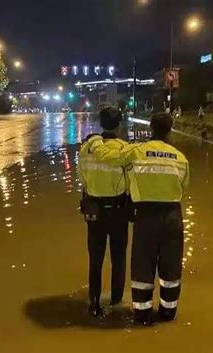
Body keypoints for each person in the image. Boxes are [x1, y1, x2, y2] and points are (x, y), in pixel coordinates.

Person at [87, 113, 190, 325]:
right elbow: (183, 187)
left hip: (146, 216)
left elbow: (108, 156)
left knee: (143, 264)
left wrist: (95, 140)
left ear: (151, 128)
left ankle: (142, 315)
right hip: (173, 217)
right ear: (170, 130)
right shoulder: (180, 157)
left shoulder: (137, 151)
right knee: (171, 266)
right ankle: (168, 313)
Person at [77, 107, 129, 317]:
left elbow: (83, 179)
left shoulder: (86, 149)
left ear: (101, 123)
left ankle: (94, 303)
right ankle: (116, 302)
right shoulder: (125, 149)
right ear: (119, 125)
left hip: (94, 212)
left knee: (95, 259)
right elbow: (130, 182)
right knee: (118, 258)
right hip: (118, 211)